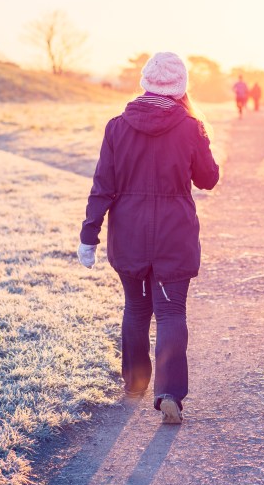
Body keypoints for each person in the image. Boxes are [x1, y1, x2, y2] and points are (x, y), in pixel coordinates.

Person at [78, 51, 220, 425]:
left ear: (145, 82)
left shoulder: (116, 126)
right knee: (171, 311)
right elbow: (208, 178)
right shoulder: (191, 127)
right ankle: (169, 392)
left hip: (129, 234)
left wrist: (88, 235)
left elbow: (102, 186)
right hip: (174, 235)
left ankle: (135, 383)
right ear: (180, 87)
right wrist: (203, 139)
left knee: (137, 308)